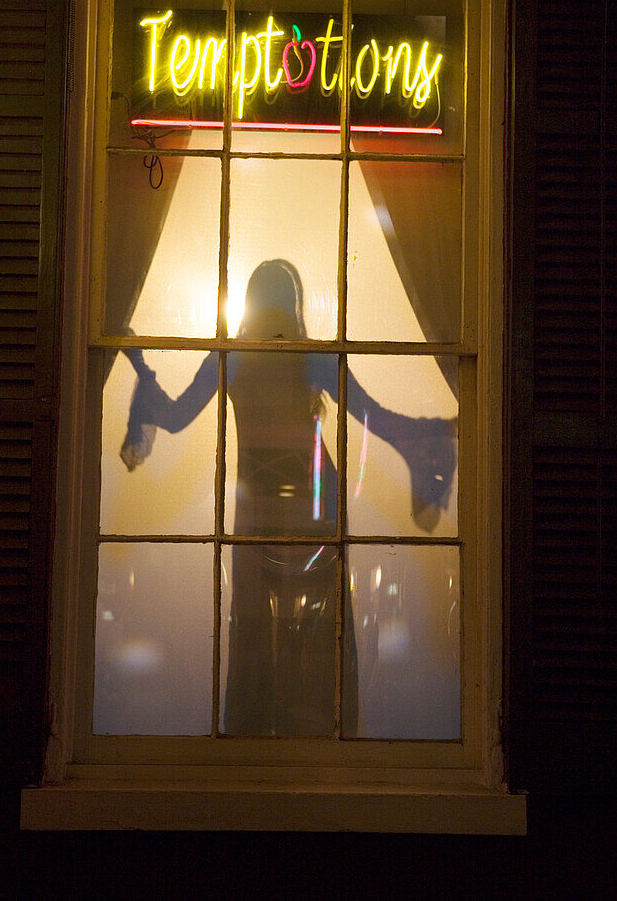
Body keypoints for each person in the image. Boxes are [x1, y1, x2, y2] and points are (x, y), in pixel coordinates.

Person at [120, 259, 456, 736]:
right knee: (315, 629)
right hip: (314, 501)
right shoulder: (303, 355)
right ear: (293, 304)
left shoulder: (233, 355)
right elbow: (372, 416)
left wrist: (141, 367)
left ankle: (259, 743)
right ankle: (315, 737)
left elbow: (173, 418)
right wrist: (434, 432)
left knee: (261, 625)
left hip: (264, 504)